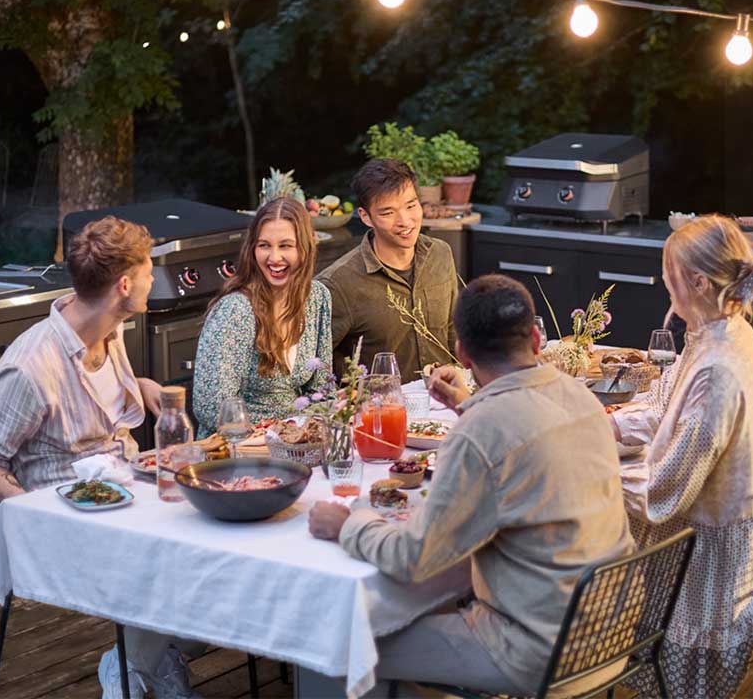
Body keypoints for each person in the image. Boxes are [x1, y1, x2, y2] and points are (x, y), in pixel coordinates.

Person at [308, 275, 633, 696]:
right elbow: (521, 441)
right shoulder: (579, 395)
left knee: (343, 642)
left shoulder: (483, 429)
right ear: (536, 339)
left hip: (538, 651)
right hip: (612, 631)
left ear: (461, 351)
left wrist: (347, 524)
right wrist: (469, 406)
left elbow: (412, 558)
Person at [0, 217, 203, 699]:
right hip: (68, 519)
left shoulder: (110, 328)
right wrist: (28, 511)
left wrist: (142, 386)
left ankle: (146, 657)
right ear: (123, 285)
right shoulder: (31, 368)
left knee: (219, 535)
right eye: (147, 270)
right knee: (180, 558)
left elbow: (93, 399)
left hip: (132, 491)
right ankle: (131, 665)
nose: (152, 279)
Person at [610, 215, 753, 699]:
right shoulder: (722, 328)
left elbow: (663, 492)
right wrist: (604, 427)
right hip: (727, 520)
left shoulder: (719, 365)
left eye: (669, 272)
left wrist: (592, 471)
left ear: (696, 281)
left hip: (719, 544)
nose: (662, 280)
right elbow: (669, 408)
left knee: (691, 685)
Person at [192, 197, 332, 428]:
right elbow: (212, 409)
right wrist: (278, 431)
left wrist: (315, 427)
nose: (274, 258)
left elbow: (323, 389)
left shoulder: (317, 297)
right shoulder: (236, 311)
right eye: (264, 245)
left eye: (286, 245)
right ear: (252, 249)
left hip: (299, 439)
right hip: (240, 447)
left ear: (306, 247)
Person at [318, 158, 459, 378]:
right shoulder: (337, 284)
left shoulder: (440, 254)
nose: (405, 221)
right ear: (366, 217)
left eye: (411, 206)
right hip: (382, 408)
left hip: (444, 403)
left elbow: (453, 329)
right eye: (387, 213)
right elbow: (317, 363)